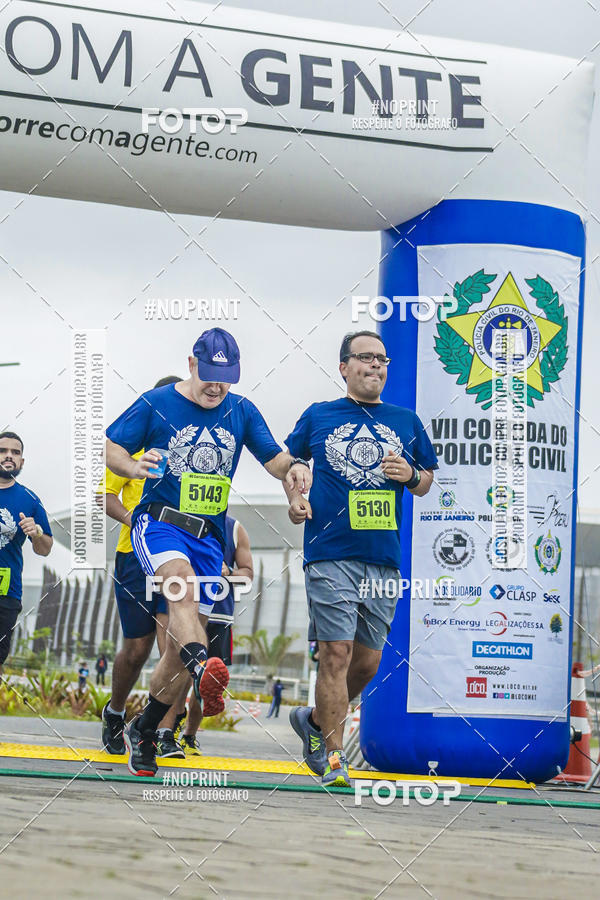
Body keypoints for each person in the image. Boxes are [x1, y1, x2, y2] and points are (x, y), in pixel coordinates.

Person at [105, 327, 311, 776]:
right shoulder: (156, 403)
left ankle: (146, 728)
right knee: (180, 591)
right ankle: (204, 669)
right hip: (159, 524)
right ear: (192, 364)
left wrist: (294, 472)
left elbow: (274, 458)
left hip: (208, 536)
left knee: (179, 646)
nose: (217, 386)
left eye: (228, 377)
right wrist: (133, 465)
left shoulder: (241, 410)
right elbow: (112, 447)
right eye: (211, 375)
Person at [286, 331, 438, 787]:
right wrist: (296, 497)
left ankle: (314, 722)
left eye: (382, 359)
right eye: (366, 358)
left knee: (367, 663)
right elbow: (291, 465)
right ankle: (335, 757)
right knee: (335, 651)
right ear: (344, 367)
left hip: (383, 557)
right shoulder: (319, 416)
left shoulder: (405, 420)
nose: (376, 366)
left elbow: (427, 478)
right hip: (331, 551)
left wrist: (411, 473)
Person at [98, 376, 191, 760]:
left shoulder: (196, 454)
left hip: (179, 557)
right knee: (137, 649)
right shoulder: (134, 450)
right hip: (134, 555)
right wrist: (137, 521)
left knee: (178, 642)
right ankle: (116, 710)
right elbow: (105, 497)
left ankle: (158, 730)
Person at [179, 514, 253, 755]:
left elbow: (248, 574)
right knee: (177, 674)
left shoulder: (235, 528)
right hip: (185, 610)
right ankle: (164, 732)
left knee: (208, 683)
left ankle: (188, 736)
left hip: (218, 617)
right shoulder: (179, 517)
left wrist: (228, 573)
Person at [0, 432, 53, 675]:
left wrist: (36, 533)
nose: (9, 456)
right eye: (3, 451)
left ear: (22, 461)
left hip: (6, 591)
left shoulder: (30, 500)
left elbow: (45, 549)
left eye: (15, 452)